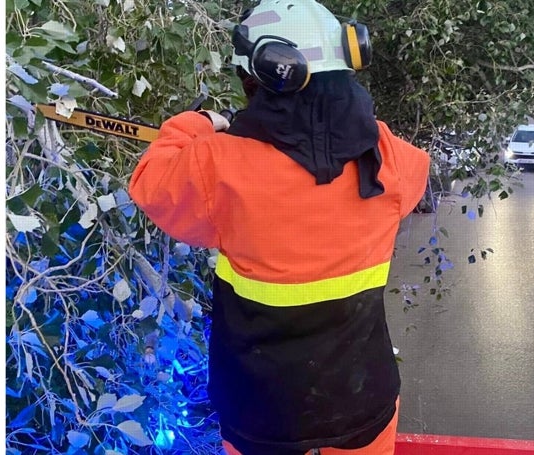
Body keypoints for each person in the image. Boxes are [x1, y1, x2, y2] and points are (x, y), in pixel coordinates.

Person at [128, 1, 430, 454]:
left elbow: (151, 184)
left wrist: (199, 124)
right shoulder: (390, 158)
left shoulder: (218, 166)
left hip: (260, 407)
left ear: (262, 77)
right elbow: (401, 165)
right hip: (360, 395)